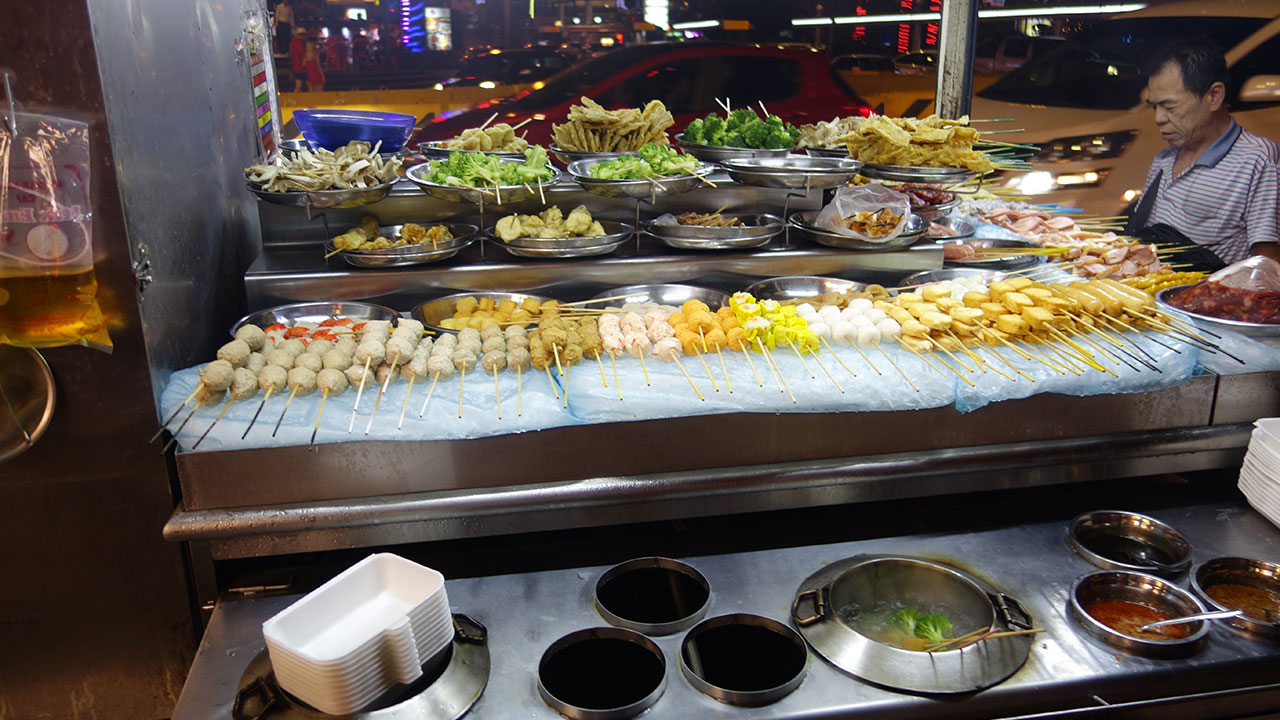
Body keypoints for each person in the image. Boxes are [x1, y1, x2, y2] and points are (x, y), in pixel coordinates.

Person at [1126, 39, 1280, 268]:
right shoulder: (1164, 158)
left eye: (1170, 107)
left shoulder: (1258, 160)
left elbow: (1267, 267)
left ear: (1214, 96)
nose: (1158, 118)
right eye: (1154, 106)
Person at [289, 27, 307, 92]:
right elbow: (302, 53)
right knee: (300, 86)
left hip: (295, 66)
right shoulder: (299, 43)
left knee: (298, 86)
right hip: (301, 67)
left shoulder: (293, 42)